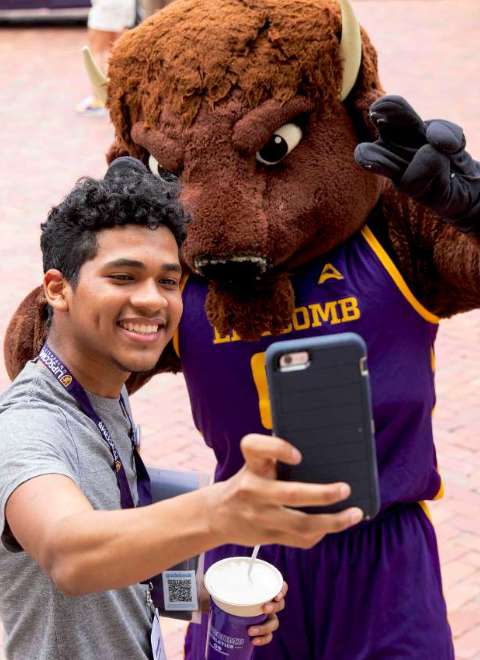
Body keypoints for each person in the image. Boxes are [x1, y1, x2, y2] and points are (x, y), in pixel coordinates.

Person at [0, 157, 363, 660]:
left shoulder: (107, 390)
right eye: (124, 276)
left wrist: (201, 595)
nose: (154, 301)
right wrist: (221, 512)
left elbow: (116, 540)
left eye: (169, 281)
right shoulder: (25, 426)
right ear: (58, 289)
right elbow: (69, 552)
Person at [76, 0, 136, 116]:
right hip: (126, 4)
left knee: (97, 51)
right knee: (118, 49)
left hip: (106, 5)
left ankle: (99, 100)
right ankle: (120, 96)